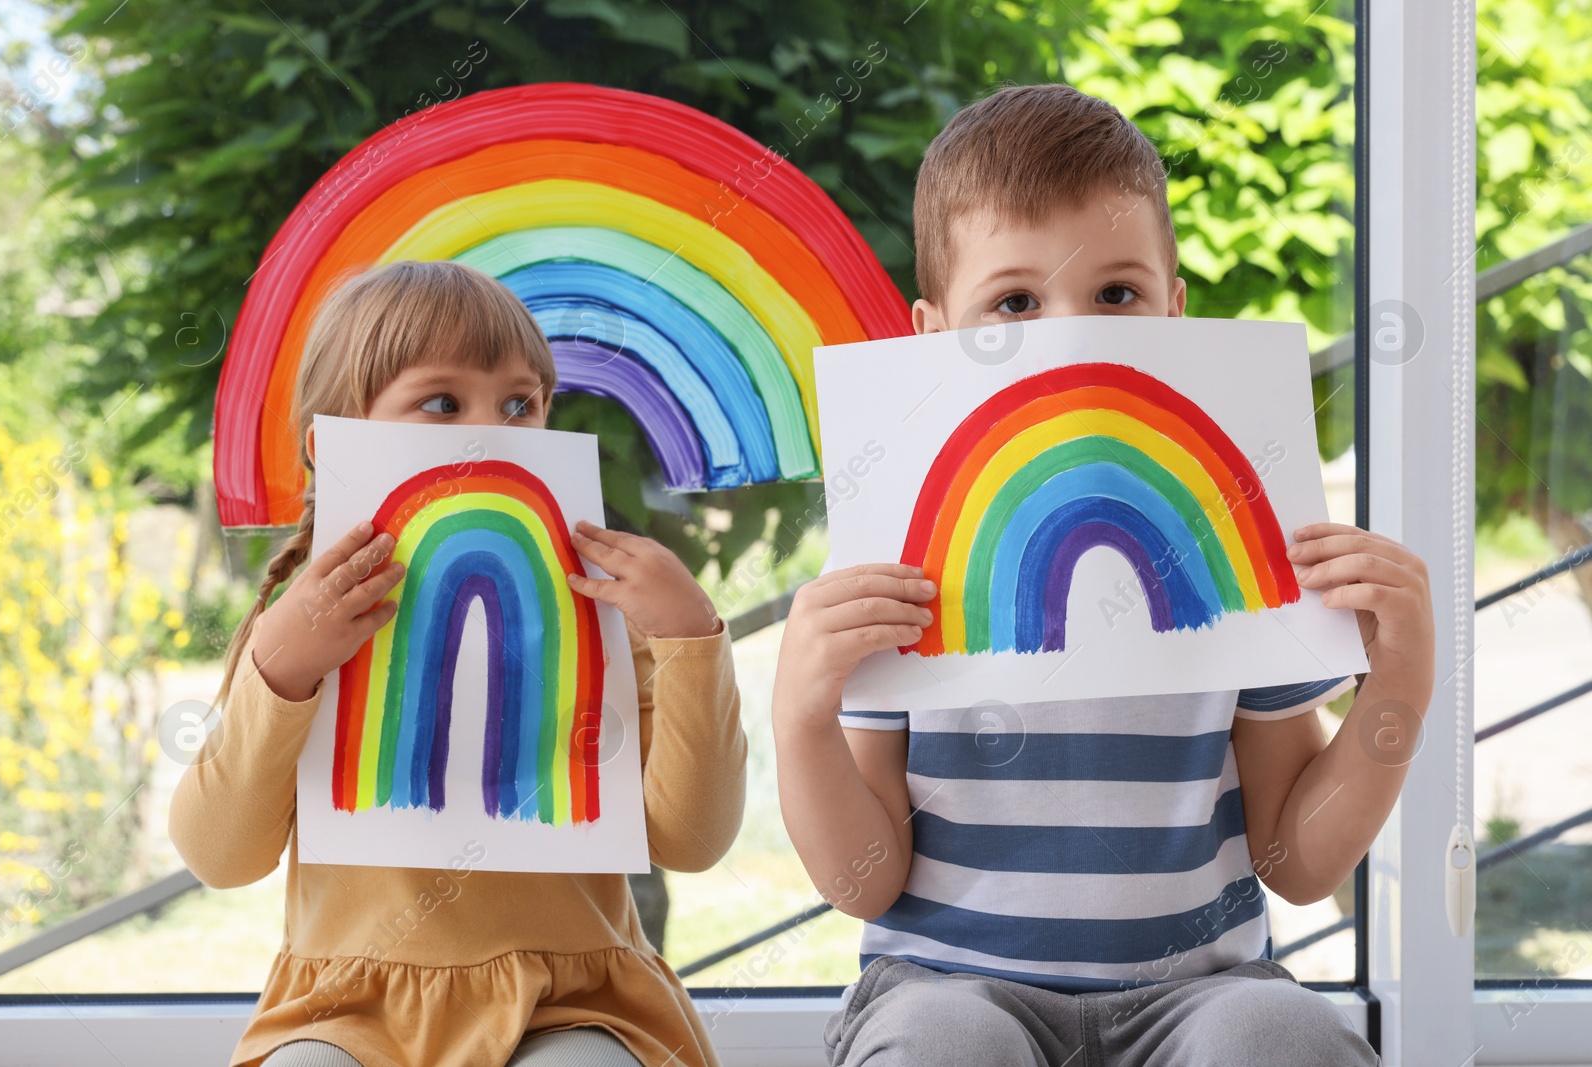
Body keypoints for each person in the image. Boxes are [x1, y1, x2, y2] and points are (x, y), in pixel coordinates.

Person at [773, 84, 1433, 1066]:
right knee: (935, 1044)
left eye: (1114, 294)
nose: (1067, 337)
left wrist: (1401, 683)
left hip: (1197, 993)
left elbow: (1296, 862)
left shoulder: (1239, 545)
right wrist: (801, 713)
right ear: (930, 333)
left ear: (1174, 309)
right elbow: (865, 881)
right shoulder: (891, 564)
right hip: (949, 987)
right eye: (1014, 303)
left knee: (1285, 1038)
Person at [171, 261, 746, 1067]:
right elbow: (218, 855)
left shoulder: (611, 614)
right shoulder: (299, 626)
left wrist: (691, 639)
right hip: (348, 1010)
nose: (494, 432)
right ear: (333, 440)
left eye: (521, 404)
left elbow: (692, 838)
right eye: (442, 403)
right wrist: (280, 669)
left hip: (575, 1001)